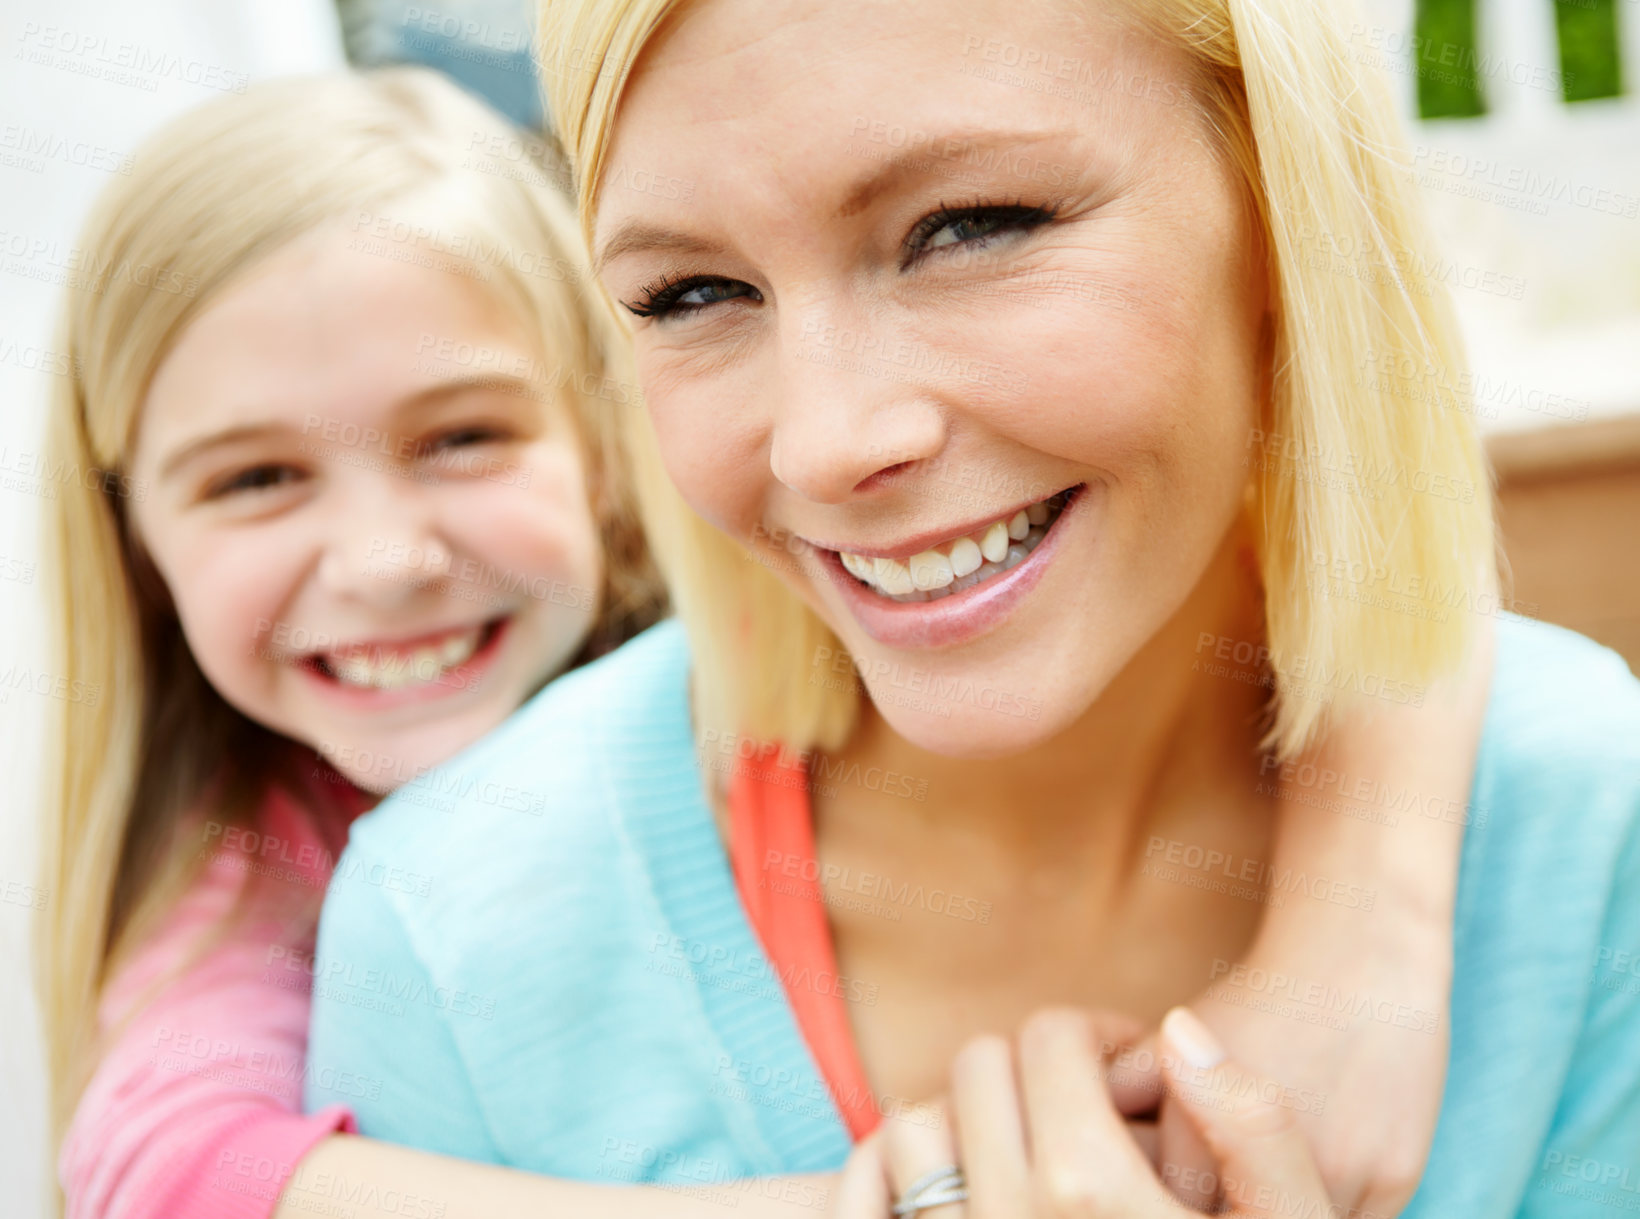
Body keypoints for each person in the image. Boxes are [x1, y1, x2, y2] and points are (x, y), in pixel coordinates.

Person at [308, 0, 1639, 1214]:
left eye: (970, 228)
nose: (823, 444)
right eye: (692, 293)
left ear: (1285, 216)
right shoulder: (455, 934)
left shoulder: (1583, 833)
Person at [36, 67, 668, 1219]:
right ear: (138, 545)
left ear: (604, 449)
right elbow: (165, 1168)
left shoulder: (751, 696)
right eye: (258, 477)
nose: (383, 562)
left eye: (462, 436)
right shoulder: (261, 839)